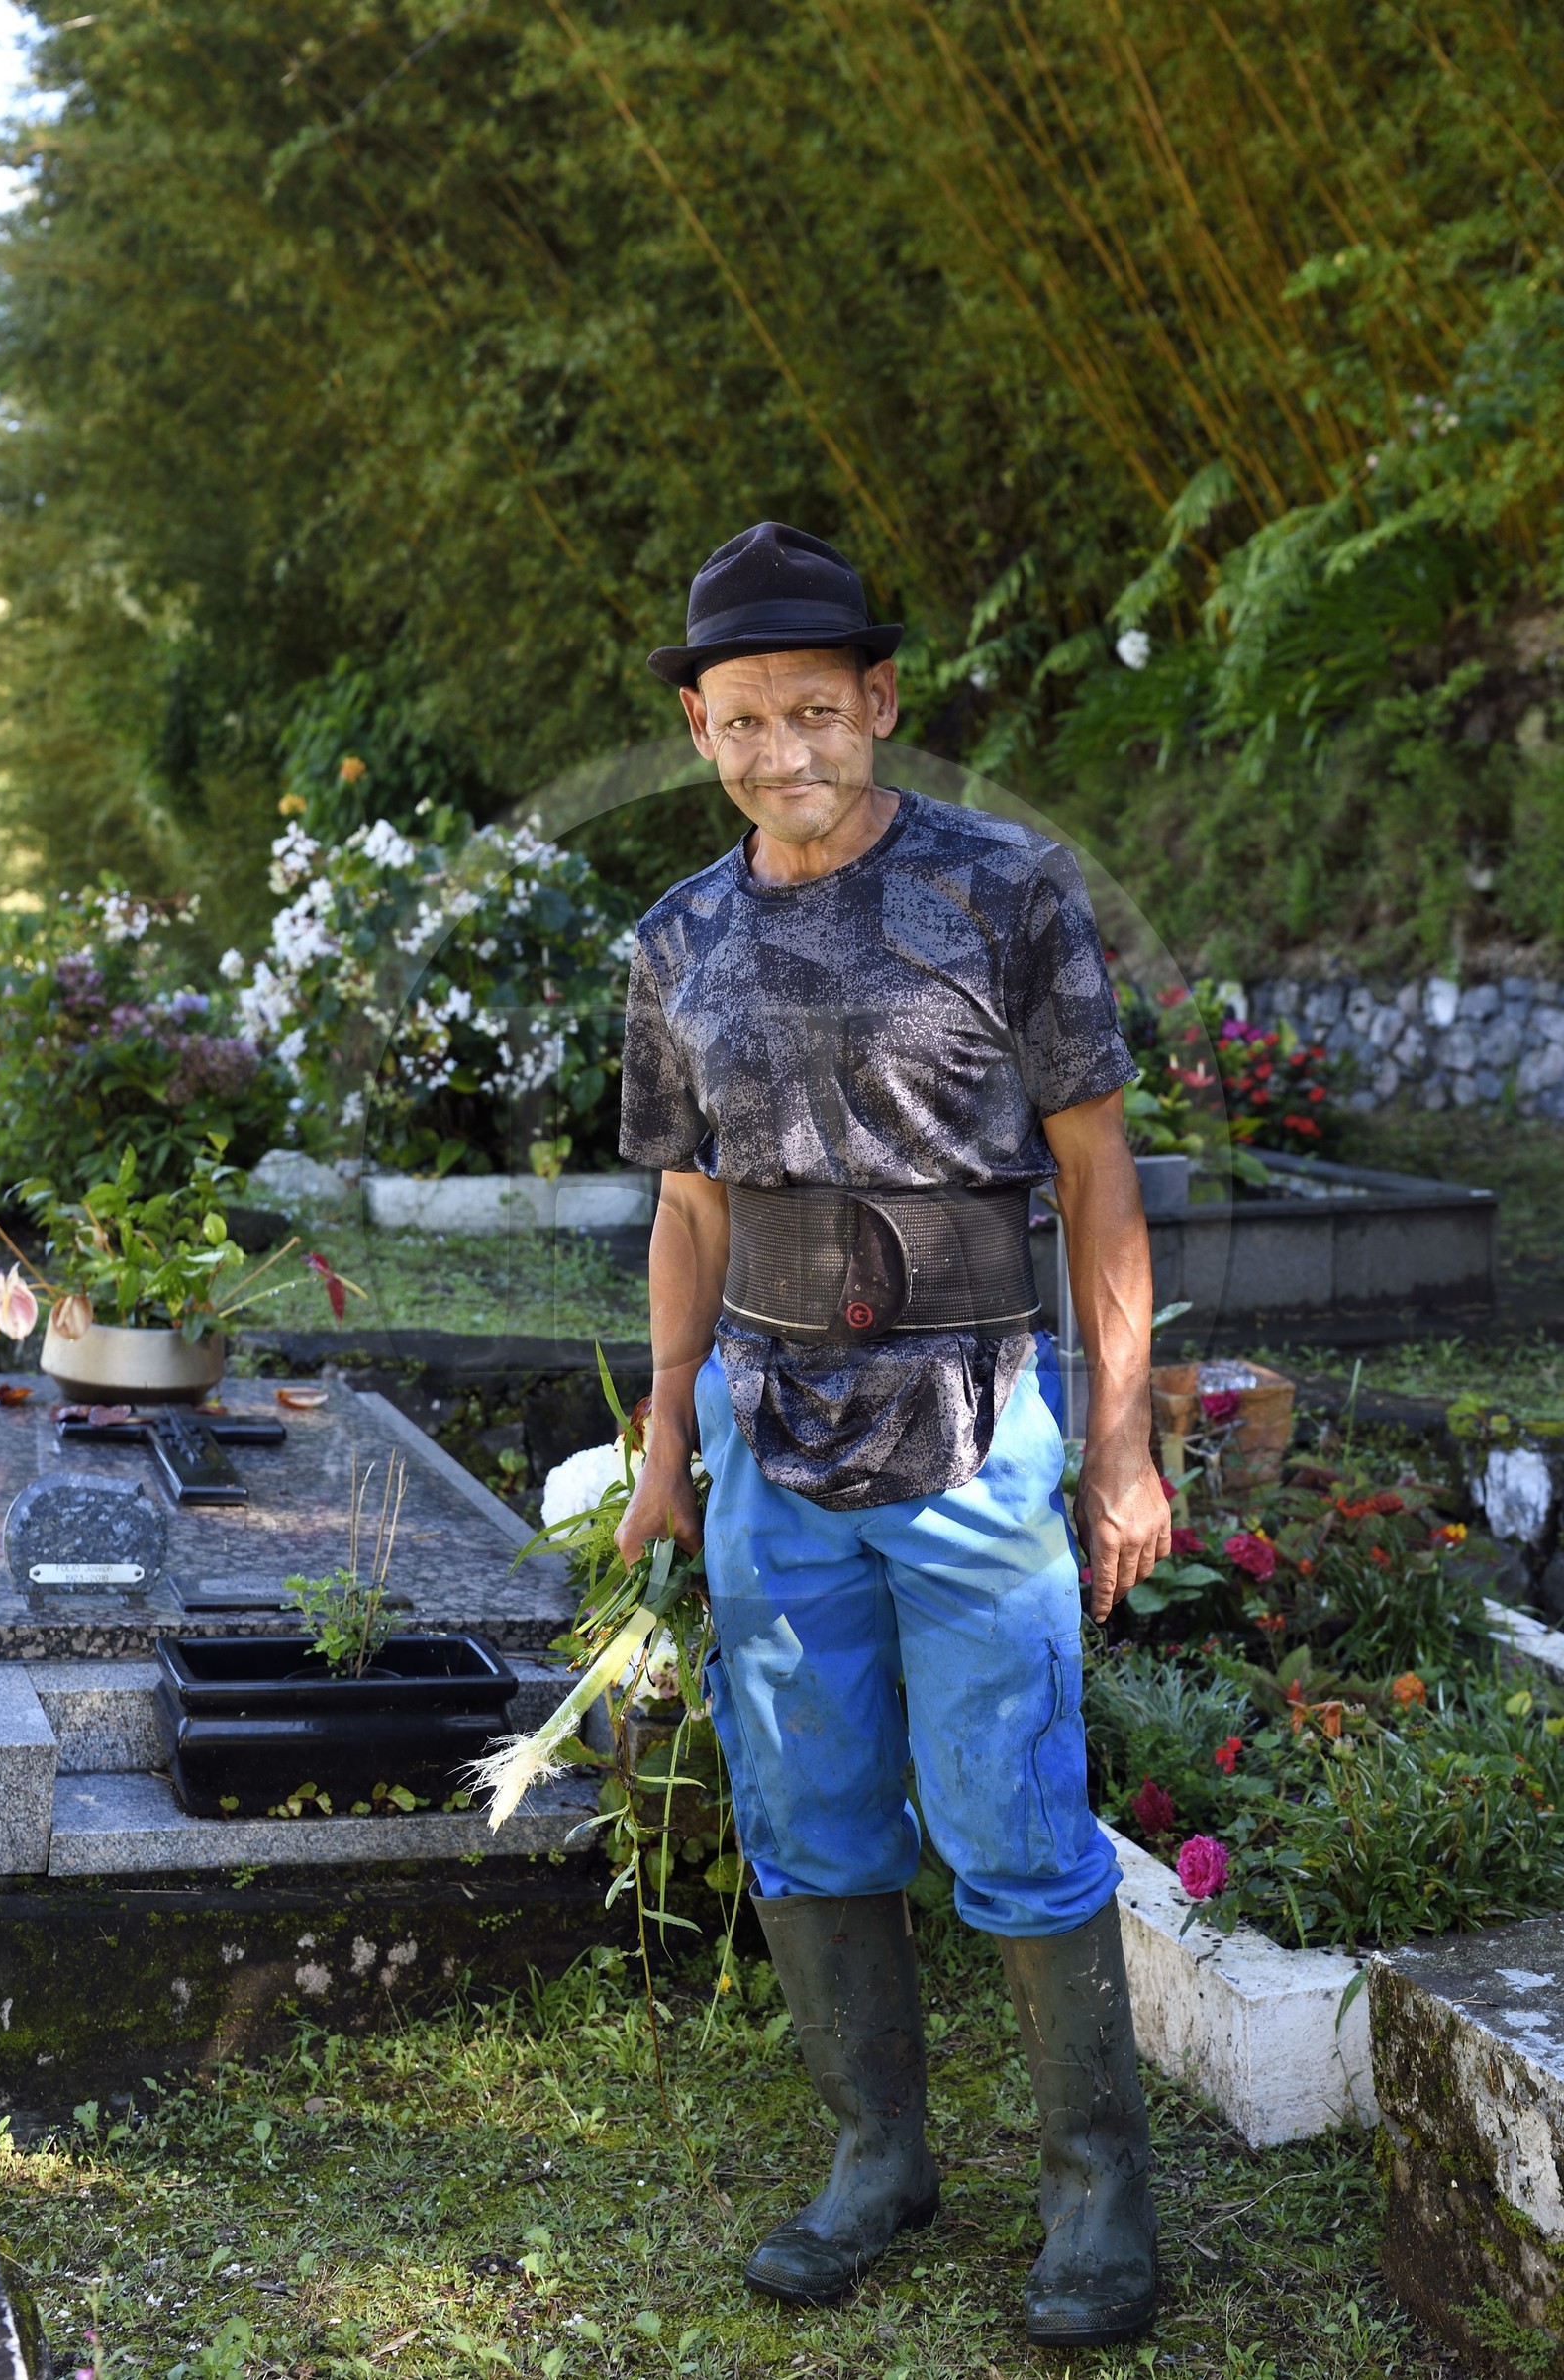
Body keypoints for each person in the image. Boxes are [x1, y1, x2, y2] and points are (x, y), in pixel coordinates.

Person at [615, 521, 1168, 2345]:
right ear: (700, 725)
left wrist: (1120, 1445)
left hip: (979, 1417)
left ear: (882, 702)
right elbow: (687, 1214)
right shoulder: (676, 943)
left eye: (820, 711)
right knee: (808, 1811)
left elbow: (1096, 1176)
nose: (788, 750)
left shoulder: (1007, 890)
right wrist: (668, 1447)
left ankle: (1095, 2195)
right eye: (747, 717)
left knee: (1015, 1812)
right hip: (768, 1435)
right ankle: (879, 2159)